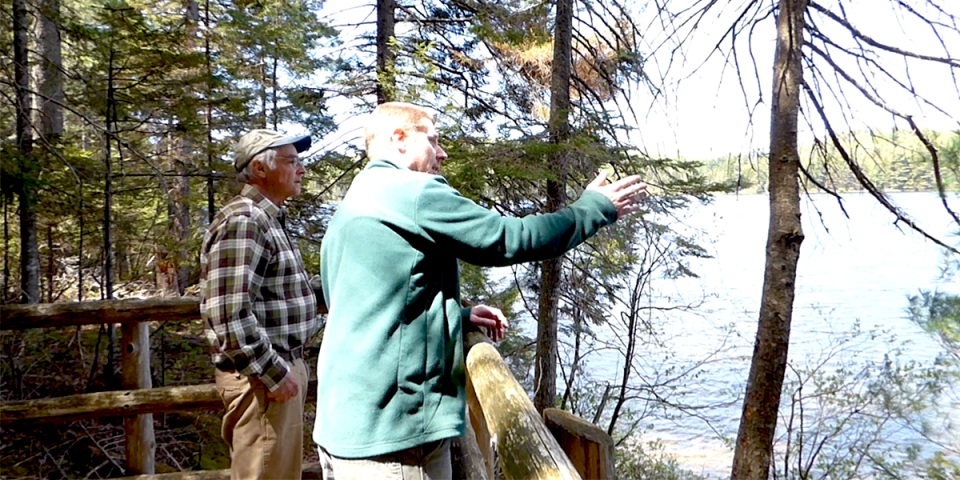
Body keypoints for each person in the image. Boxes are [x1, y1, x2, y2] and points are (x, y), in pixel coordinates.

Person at [314, 102, 647, 479]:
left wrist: (455, 315)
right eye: (433, 140)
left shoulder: (356, 200)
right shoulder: (411, 192)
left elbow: (370, 302)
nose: (442, 154)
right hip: (394, 433)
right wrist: (593, 209)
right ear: (400, 139)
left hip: (342, 423)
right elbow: (509, 239)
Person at [200, 128, 320, 480]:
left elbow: (283, 293)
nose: (301, 169)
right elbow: (227, 312)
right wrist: (273, 374)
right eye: (291, 161)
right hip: (263, 381)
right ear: (260, 168)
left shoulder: (267, 218)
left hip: (273, 375)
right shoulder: (245, 220)